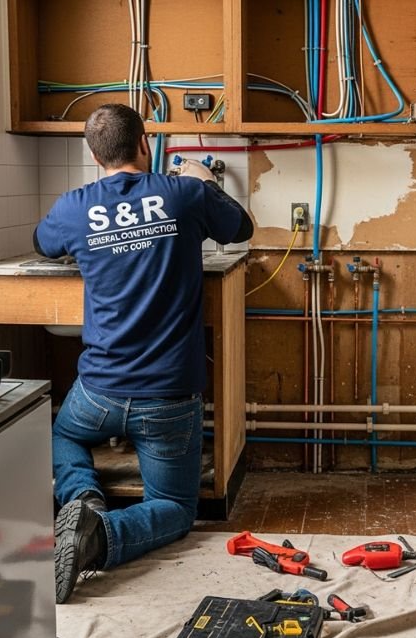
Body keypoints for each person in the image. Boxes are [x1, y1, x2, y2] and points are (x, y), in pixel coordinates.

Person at [34, 103, 253, 604]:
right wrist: (205, 180)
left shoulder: (73, 206)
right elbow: (241, 229)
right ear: (145, 144)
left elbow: (43, 244)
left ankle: (83, 500)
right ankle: (99, 537)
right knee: (175, 507)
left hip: (99, 393)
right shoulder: (187, 193)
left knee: (62, 434)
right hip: (169, 395)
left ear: (93, 155)